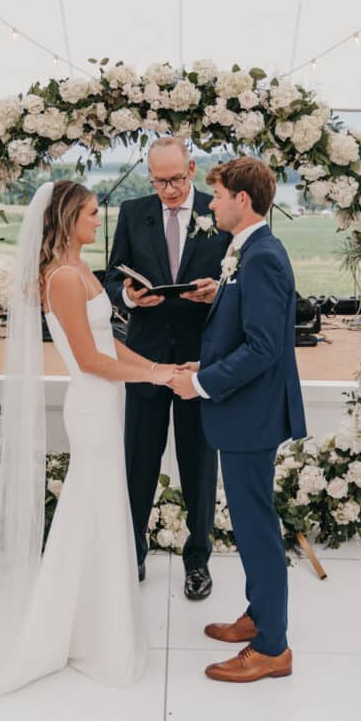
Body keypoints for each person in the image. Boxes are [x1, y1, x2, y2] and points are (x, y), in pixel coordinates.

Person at [0, 181, 176, 695]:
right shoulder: (64, 278)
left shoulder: (82, 269)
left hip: (107, 397)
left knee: (101, 508)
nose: (97, 220)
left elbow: (112, 345)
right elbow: (89, 360)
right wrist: (158, 377)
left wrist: (162, 368)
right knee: (89, 507)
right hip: (90, 402)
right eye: (90, 213)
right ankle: (73, 626)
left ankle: (93, 617)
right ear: (67, 218)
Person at [170, 157, 307, 682]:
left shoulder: (263, 256)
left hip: (251, 416)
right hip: (243, 411)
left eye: (219, 195)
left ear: (242, 201)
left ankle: (274, 646)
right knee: (251, 525)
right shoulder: (245, 252)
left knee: (256, 529)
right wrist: (201, 364)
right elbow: (241, 329)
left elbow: (265, 348)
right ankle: (258, 615)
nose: (212, 204)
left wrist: (200, 384)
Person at [105, 137, 231, 600]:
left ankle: (198, 561)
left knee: (199, 466)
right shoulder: (132, 211)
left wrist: (217, 291)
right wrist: (128, 295)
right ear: (149, 177)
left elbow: (235, 275)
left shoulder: (218, 210)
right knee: (138, 462)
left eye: (177, 179)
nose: (170, 190)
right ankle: (132, 553)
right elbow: (113, 273)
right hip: (145, 358)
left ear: (193, 169)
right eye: (160, 181)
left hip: (202, 358)